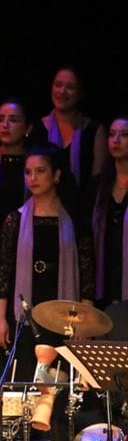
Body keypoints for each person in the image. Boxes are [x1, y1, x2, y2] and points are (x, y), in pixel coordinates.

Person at [0, 146, 95, 381]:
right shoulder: (15, 219)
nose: (33, 178)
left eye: (40, 171)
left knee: (59, 381)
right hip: (26, 310)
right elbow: (3, 273)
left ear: (56, 175)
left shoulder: (75, 220)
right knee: (25, 378)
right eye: (28, 172)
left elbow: (87, 273)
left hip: (64, 311)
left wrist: (85, 323)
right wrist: (0, 319)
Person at [43, 65, 108, 192]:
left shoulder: (95, 131)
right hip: (41, 208)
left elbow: (98, 182)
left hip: (82, 207)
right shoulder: (37, 129)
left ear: (80, 93)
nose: (62, 91)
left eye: (70, 87)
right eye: (58, 85)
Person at [0, 98, 35, 231]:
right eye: (0, 119)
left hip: (26, 236)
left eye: (13, 120)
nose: (5, 125)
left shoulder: (36, 164)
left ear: (28, 128)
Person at [93, 115, 128, 306]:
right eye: (112, 134)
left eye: (124, 135)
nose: (116, 140)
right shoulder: (97, 186)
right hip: (103, 280)